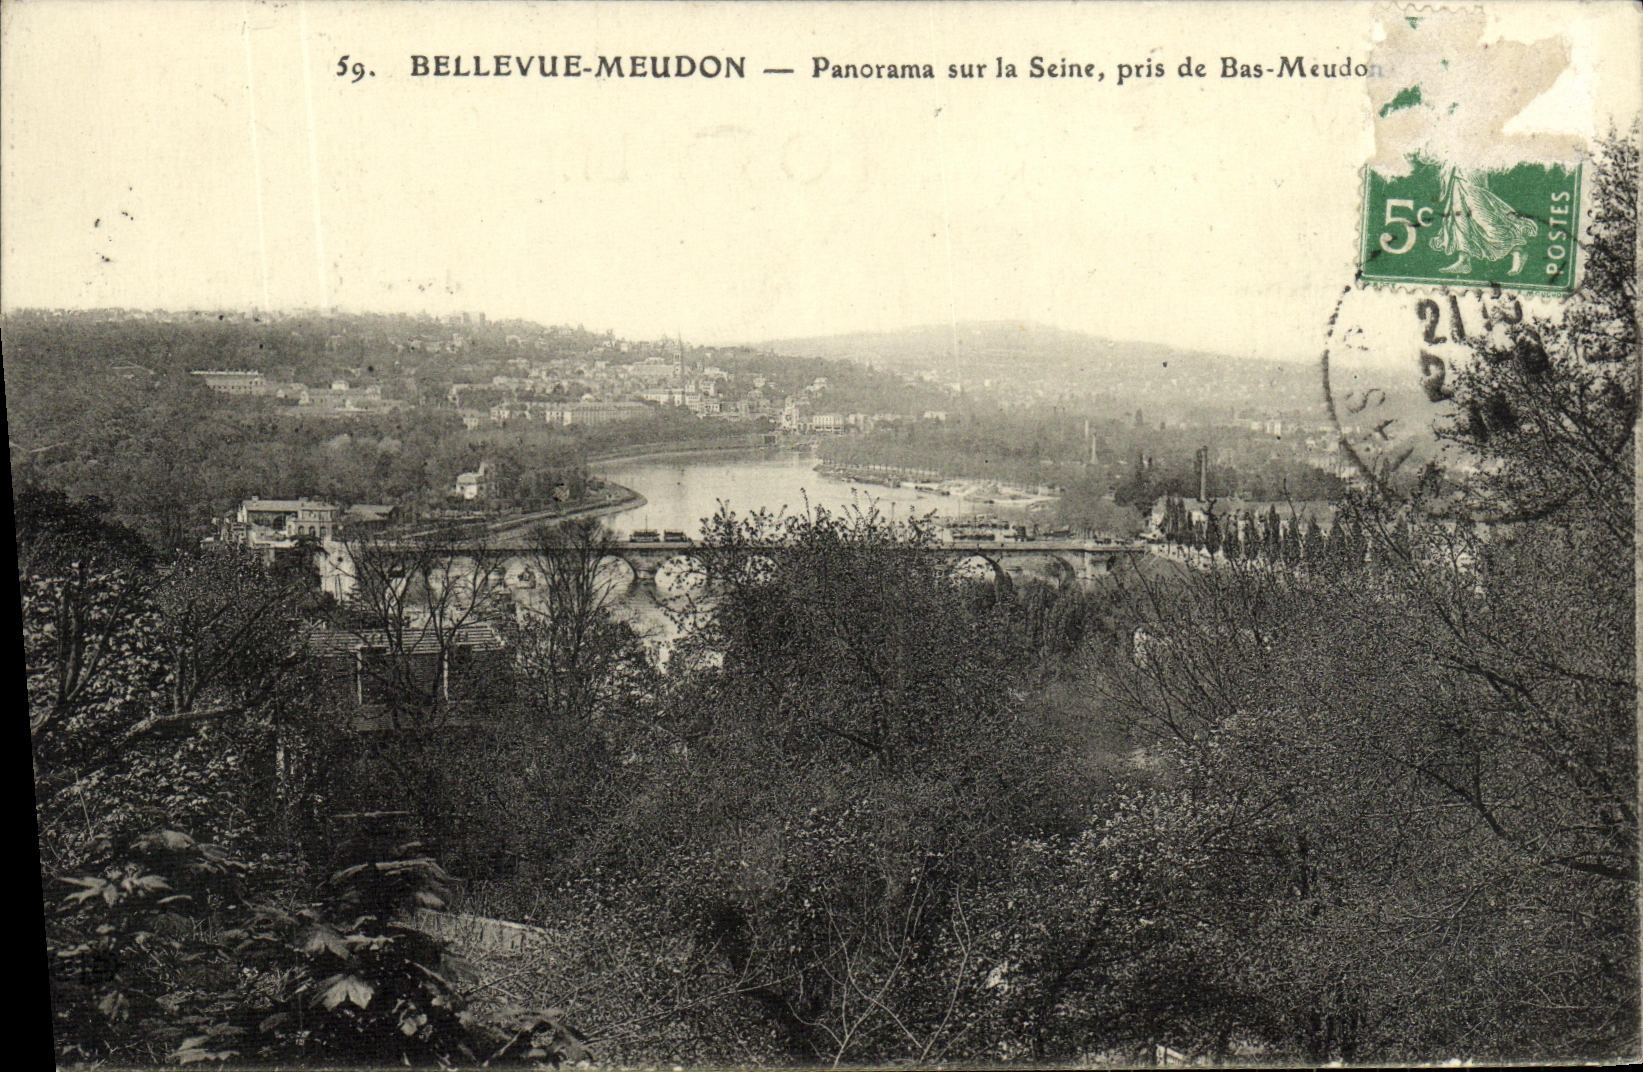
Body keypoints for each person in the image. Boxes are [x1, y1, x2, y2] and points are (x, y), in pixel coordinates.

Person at [1429, 162, 1539, 275]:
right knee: (1459, 215)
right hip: (1459, 166)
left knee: (1484, 218)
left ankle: (1517, 251)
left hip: (1473, 162)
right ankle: (1464, 259)